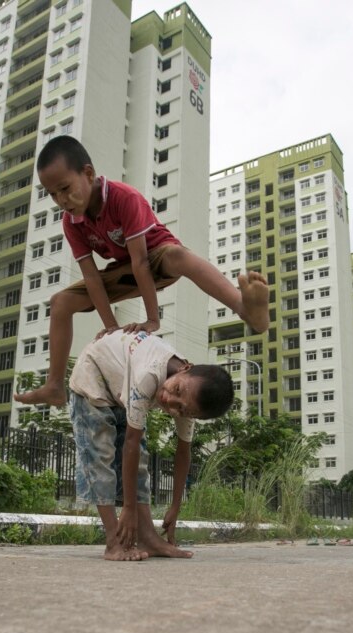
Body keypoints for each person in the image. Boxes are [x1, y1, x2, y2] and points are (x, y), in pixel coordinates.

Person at [15, 135, 270, 407]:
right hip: (122, 271)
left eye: (65, 189)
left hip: (155, 257)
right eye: (53, 194)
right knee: (60, 303)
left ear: (88, 173)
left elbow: (141, 262)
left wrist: (152, 319)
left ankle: (244, 308)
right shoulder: (71, 222)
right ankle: (55, 385)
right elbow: (91, 277)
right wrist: (110, 327)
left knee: (179, 255)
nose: (61, 200)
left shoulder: (123, 197)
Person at [68, 328, 233, 560]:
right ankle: (113, 541)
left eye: (182, 409)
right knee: (100, 456)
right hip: (93, 376)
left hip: (119, 386)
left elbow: (183, 453)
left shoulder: (190, 396)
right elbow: (131, 443)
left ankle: (148, 538)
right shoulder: (149, 375)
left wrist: (175, 507)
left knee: (140, 462)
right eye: (176, 390)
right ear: (186, 368)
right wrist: (128, 507)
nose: (169, 401)